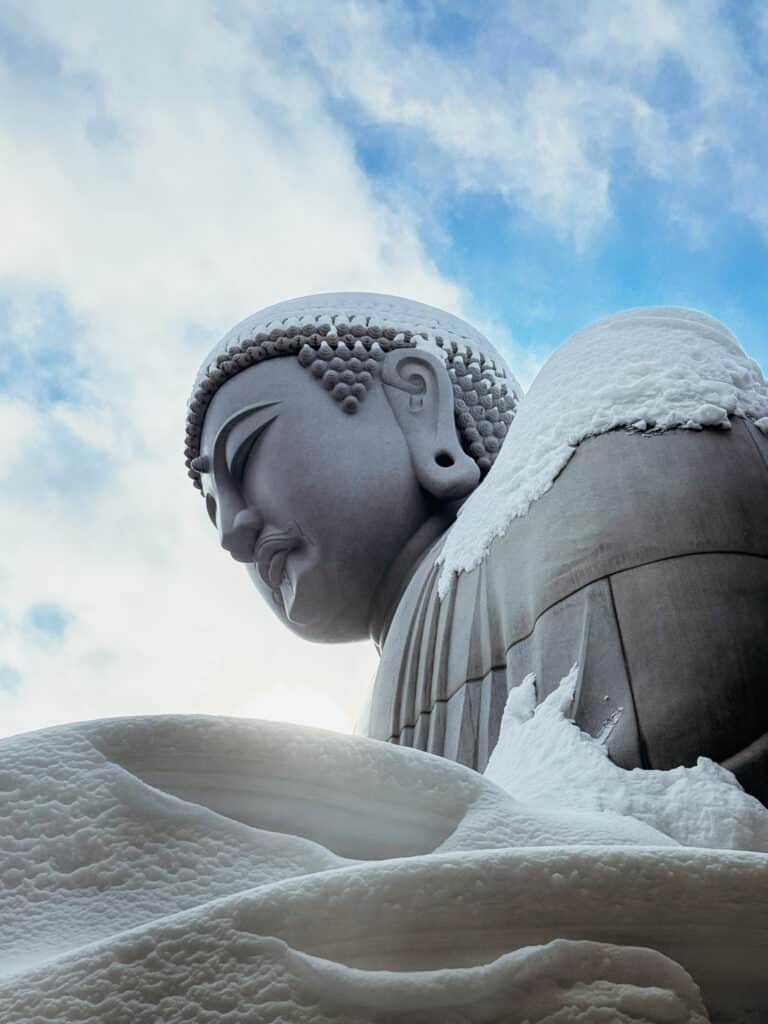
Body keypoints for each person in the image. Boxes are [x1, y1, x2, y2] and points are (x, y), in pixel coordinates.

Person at [186, 293, 768, 803]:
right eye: (215, 505)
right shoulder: (366, 715)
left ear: (418, 402)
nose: (231, 532)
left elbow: (690, 791)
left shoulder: (604, 457)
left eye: (246, 456)